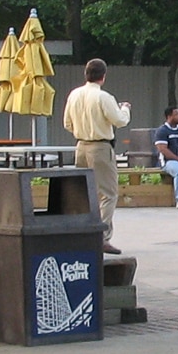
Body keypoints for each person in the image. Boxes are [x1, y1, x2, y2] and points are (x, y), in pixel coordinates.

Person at [62, 58, 129, 252]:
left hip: (81, 146)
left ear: (86, 74)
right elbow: (119, 121)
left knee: (84, 193)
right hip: (100, 147)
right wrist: (125, 108)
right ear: (103, 76)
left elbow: (67, 123)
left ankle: (83, 233)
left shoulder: (74, 95)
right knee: (108, 194)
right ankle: (102, 236)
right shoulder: (103, 97)